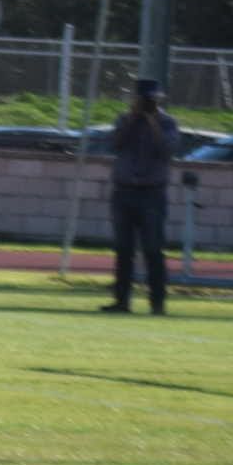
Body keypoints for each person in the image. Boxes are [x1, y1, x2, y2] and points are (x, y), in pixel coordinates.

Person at [101, 78, 180, 317]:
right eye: (143, 99)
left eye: (150, 100)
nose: (147, 104)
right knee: (123, 249)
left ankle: (157, 303)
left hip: (152, 193)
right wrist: (134, 118)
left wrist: (152, 121)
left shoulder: (167, 123)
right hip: (124, 191)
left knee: (153, 249)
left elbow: (167, 151)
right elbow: (114, 144)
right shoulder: (125, 120)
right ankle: (121, 301)